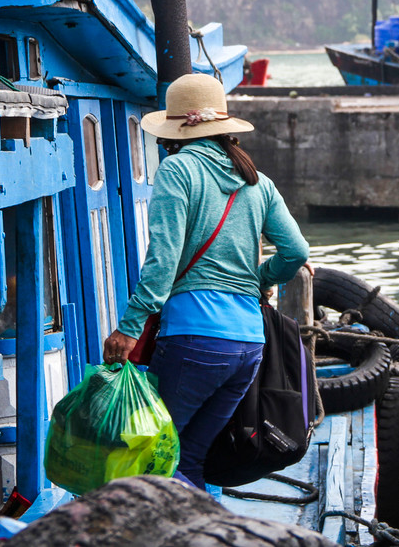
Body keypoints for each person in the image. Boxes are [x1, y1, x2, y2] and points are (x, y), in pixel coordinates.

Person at [102, 73, 311, 489]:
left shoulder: (178, 171)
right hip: (249, 344)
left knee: (152, 455)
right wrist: (257, 280)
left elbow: (162, 260)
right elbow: (296, 253)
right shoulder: (258, 182)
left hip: (194, 338)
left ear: (174, 134)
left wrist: (128, 327)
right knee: (190, 458)